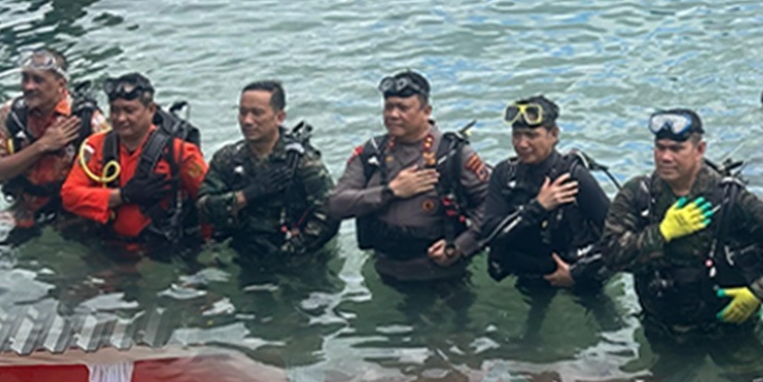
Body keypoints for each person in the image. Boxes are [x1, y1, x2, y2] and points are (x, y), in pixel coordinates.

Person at [601, 108, 763, 342]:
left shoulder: (729, 197)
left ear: (700, 150)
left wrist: (759, 293)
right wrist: (661, 233)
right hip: (663, 326)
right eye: (660, 147)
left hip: (729, 327)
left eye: (677, 149)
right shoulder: (639, 194)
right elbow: (610, 255)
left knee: (749, 377)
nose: (666, 157)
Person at [327, 68, 493, 285]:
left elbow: (492, 205)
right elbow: (335, 205)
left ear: (426, 111)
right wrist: (392, 191)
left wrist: (460, 247)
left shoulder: (452, 154)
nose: (393, 115)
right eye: (389, 107)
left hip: (442, 275)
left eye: (403, 108)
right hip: (383, 269)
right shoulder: (372, 153)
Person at [60, 72, 208, 249]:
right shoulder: (95, 146)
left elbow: (207, 202)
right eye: (115, 110)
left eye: (130, 111)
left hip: (160, 252)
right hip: (109, 245)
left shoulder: (180, 153)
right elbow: (69, 196)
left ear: (151, 110)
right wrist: (122, 196)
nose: (121, 118)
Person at [199, 78, 339, 259]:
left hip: (296, 259)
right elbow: (204, 208)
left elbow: (331, 213)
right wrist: (245, 196)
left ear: (279, 117)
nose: (247, 121)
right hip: (240, 251)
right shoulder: (228, 159)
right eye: (243, 112)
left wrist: (293, 249)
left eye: (257, 113)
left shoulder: (301, 162)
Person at [0, 47, 98, 233]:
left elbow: (106, 183)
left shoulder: (87, 121)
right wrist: (41, 146)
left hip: (72, 217)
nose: (28, 87)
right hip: (25, 211)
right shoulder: (13, 114)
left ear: (61, 85)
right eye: (25, 78)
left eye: (38, 80)